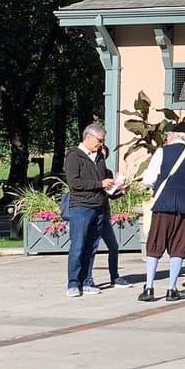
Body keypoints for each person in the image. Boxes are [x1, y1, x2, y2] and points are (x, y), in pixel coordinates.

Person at [139, 122, 185, 302]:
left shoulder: (162, 152)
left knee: (155, 244)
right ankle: (171, 288)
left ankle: (149, 287)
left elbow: (149, 179)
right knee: (179, 246)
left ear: (174, 136)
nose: (166, 138)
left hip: (163, 204)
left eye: (168, 135)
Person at [63, 123, 114, 297]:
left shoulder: (99, 157)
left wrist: (114, 185)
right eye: (99, 140)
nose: (100, 144)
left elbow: (104, 177)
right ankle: (73, 283)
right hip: (81, 206)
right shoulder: (74, 156)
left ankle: (86, 281)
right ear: (88, 137)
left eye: (102, 141)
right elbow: (74, 183)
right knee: (78, 245)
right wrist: (99, 184)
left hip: (98, 206)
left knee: (92, 246)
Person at [83, 140, 130, 289]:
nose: (100, 159)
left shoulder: (108, 173)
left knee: (113, 246)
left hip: (104, 212)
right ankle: (87, 278)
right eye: (99, 156)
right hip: (91, 210)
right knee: (91, 246)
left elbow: (110, 194)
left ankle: (114, 276)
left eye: (103, 157)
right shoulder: (90, 172)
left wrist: (121, 190)